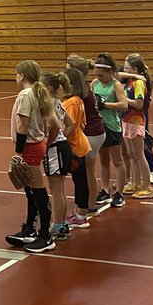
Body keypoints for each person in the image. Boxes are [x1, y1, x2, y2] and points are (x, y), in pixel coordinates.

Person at [5, 60, 58, 253]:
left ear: (22, 75)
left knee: (38, 192)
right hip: (37, 145)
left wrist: (18, 152)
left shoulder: (26, 94)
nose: (16, 77)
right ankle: (29, 229)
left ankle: (46, 235)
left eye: (17, 74)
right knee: (30, 191)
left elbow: (23, 126)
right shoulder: (39, 92)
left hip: (29, 147)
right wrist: (46, 141)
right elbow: (56, 125)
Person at [66, 54, 107, 213]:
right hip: (97, 131)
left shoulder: (78, 91)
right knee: (89, 170)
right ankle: (90, 202)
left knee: (86, 171)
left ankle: (89, 204)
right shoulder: (85, 86)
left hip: (91, 132)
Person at [40, 72, 74, 241]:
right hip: (61, 146)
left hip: (54, 148)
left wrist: (47, 144)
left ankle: (58, 224)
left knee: (56, 188)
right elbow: (70, 124)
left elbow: (56, 126)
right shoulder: (58, 102)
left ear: (47, 88)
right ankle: (62, 222)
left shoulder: (48, 105)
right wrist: (63, 138)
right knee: (58, 188)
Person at [92, 54, 128, 207]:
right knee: (103, 160)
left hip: (112, 126)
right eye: (97, 74)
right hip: (99, 126)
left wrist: (105, 104)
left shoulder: (116, 85)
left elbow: (124, 105)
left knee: (117, 160)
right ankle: (105, 190)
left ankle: (119, 192)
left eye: (101, 75)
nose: (98, 77)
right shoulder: (94, 83)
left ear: (109, 72)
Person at [62, 67, 96, 224]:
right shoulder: (78, 100)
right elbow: (82, 124)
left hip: (74, 146)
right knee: (80, 179)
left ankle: (81, 215)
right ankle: (79, 212)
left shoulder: (70, 103)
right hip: (80, 143)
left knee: (80, 181)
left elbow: (70, 125)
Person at [121, 56, 153, 198]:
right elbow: (117, 74)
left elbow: (139, 104)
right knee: (131, 154)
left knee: (139, 155)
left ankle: (147, 187)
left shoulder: (139, 83)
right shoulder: (129, 81)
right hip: (126, 119)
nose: (124, 70)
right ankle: (135, 183)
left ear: (134, 69)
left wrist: (123, 99)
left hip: (135, 120)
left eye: (127, 67)